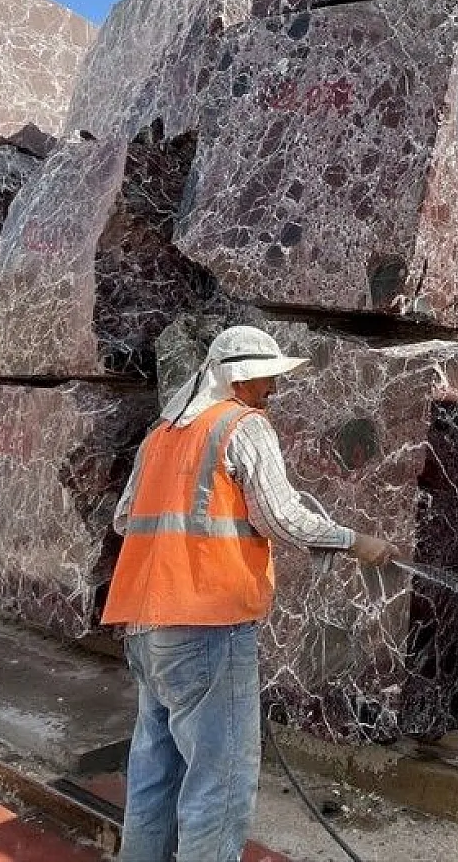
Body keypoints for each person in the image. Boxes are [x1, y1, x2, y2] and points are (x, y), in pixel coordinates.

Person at [102, 325, 399, 862]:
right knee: (220, 784)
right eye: (267, 378)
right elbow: (281, 518)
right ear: (240, 378)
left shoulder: (163, 435)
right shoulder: (244, 425)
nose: (274, 390)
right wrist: (358, 543)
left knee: (155, 770)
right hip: (207, 624)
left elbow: (125, 518)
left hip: (144, 627)